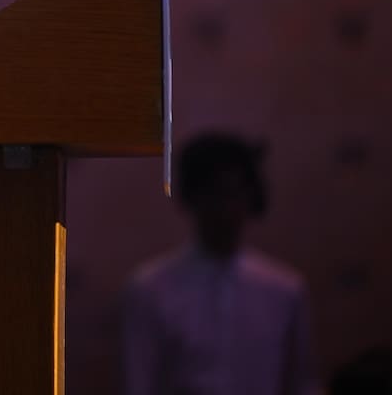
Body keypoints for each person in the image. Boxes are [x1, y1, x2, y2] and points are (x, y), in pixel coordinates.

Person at [121, 131, 319, 395]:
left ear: (251, 197)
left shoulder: (285, 291)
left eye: (235, 193)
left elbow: (301, 384)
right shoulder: (150, 290)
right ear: (193, 197)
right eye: (214, 193)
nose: (226, 207)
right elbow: (138, 384)